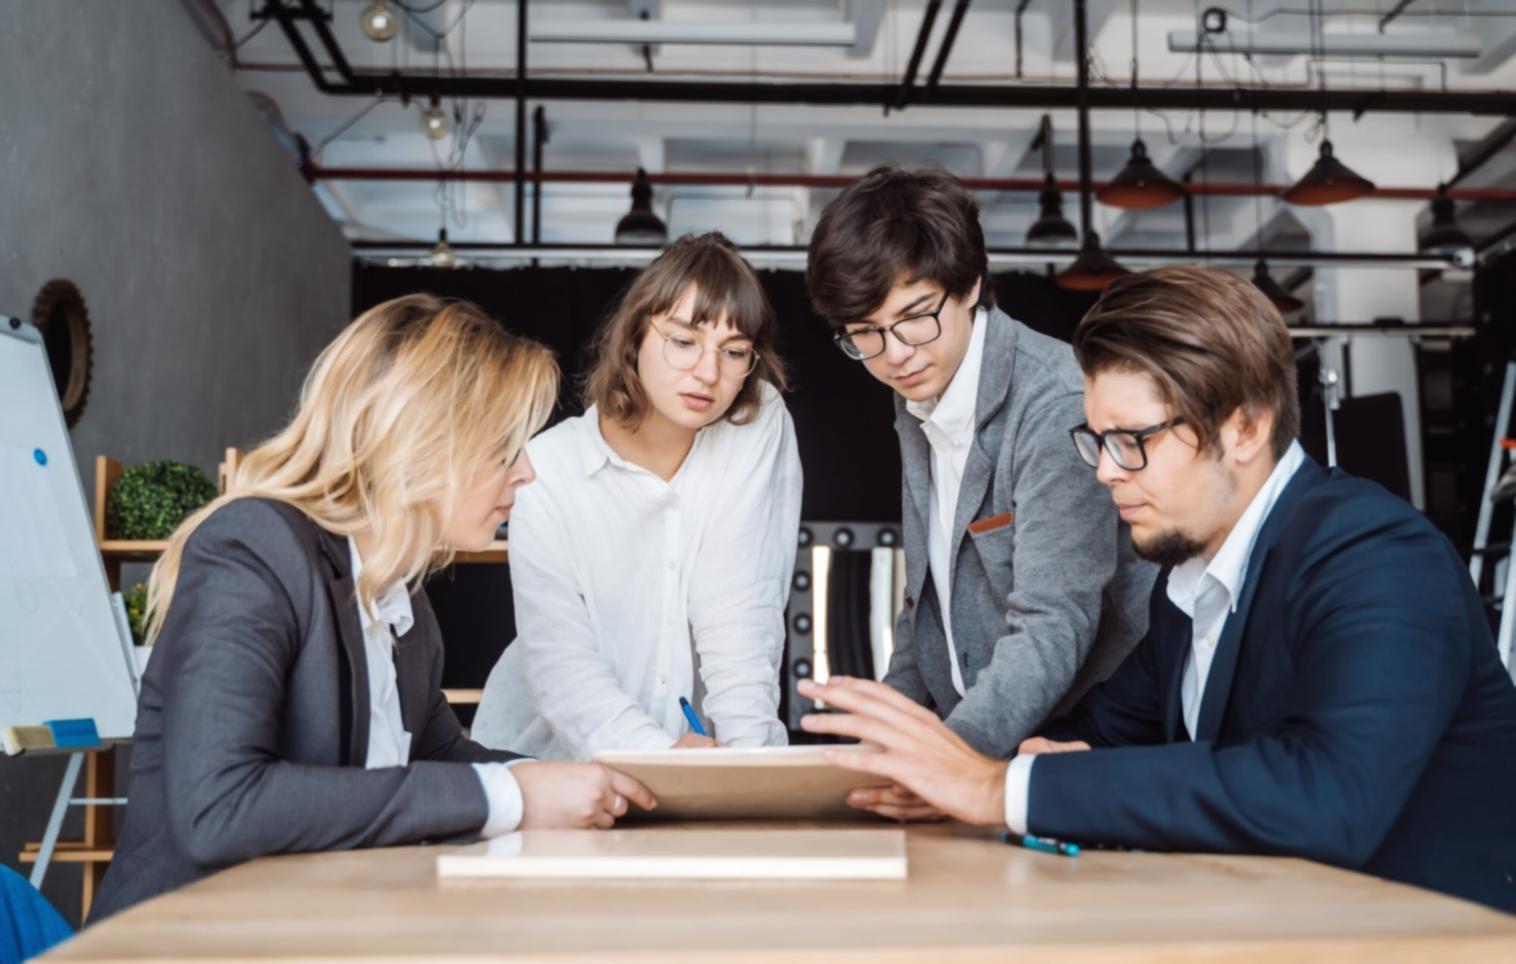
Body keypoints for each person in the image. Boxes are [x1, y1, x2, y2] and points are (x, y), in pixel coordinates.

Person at [799, 266, 1516, 913]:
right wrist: (995, 767)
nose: (1106, 471)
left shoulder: (1377, 557)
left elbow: (1327, 795)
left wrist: (998, 789)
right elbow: (1103, 735)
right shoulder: (1186, 587)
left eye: (1132, 441)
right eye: (1097, 440)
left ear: (1244, 427)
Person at [91, 295, 656, 922]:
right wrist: (513, 793)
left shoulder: (400, 596)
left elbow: (439, 756)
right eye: (504, 448)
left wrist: (603, 784)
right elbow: (220, 807)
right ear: (423, 441)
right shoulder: (253, 549)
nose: (526, 472)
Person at [804, 165, 1156, 765]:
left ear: (970, 284)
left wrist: (945, 760)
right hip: (981, 739)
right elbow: (926, 605)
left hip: (1080, 741)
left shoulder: (1055, 402)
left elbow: (1054, 620)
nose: (895, 354)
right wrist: (877, 746)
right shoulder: (919, 390)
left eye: (915, 316)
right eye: (865, 332)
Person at [473, 233, 802, 759]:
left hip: (699, 766)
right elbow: (561, 663)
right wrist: (661, 759)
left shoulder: (754, 423)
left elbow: (742, 613)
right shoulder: (547, 469)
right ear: (635, 337)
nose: (709, 373)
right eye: (683, 341)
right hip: (554, 761)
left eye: (735, 351)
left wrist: (748, 770)